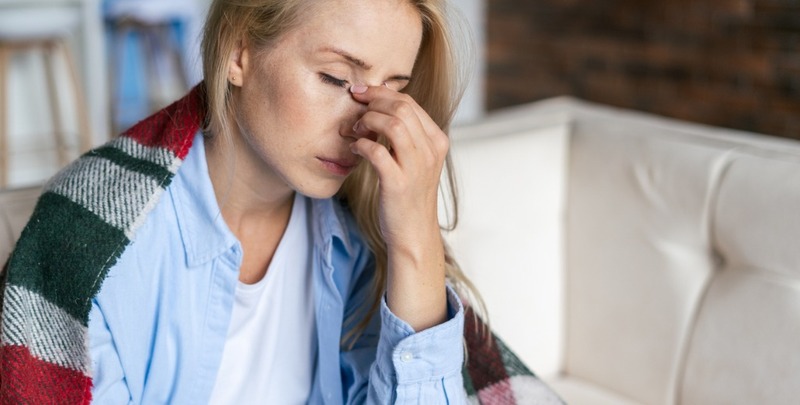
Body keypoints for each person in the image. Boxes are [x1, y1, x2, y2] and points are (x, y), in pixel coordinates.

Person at [1, 0, 563, 403]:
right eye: (336, 77)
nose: (363, 122)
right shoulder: (93, 245)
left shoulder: (360, 238)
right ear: (239, 51)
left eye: (392, 91)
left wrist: (415, 243)